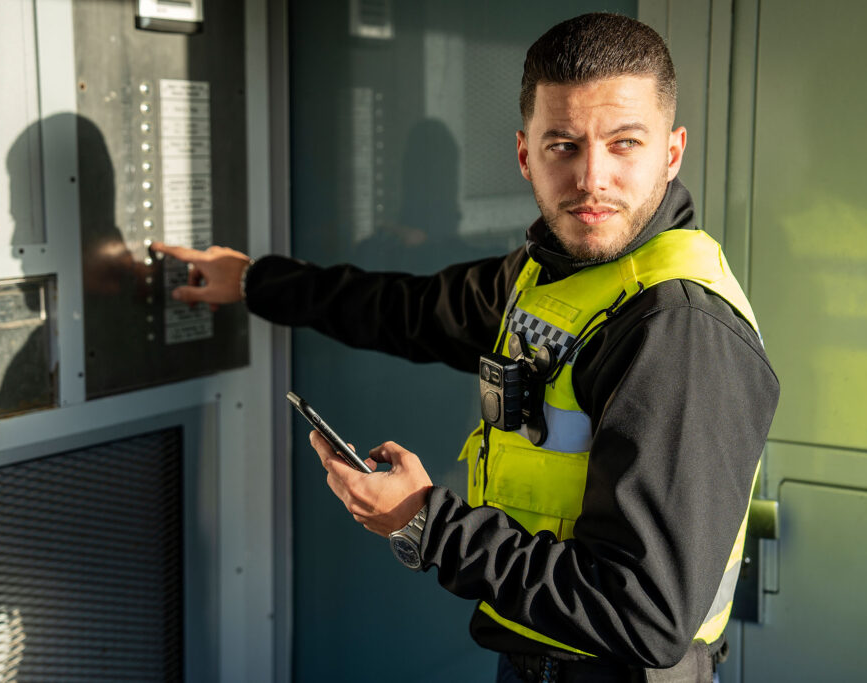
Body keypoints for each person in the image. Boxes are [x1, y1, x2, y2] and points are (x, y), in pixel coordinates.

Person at [152, 13, 778, 682]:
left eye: (624, 143)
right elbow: (408, 310)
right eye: (563, 145)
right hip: (539, 656)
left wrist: (425, 522)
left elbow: (643, 611)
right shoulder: (549, 275)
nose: (592, 177)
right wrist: (253, 281)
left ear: (672, 152)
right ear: (524, 155)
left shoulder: (677, 327)